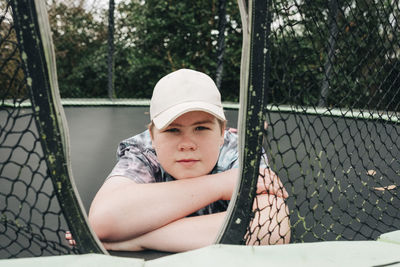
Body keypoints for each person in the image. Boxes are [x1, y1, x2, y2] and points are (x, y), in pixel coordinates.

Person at [68, 69, 290, 252]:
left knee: (248, 135)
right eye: (173, 130)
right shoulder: (143, 150)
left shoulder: (238, 150)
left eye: (201, 128)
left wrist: (137, 239)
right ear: (153, 136)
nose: (187, 143)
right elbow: (103, 220)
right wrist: (223, 184)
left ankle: (253, 129)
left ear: (221, 132)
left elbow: (271, 229)